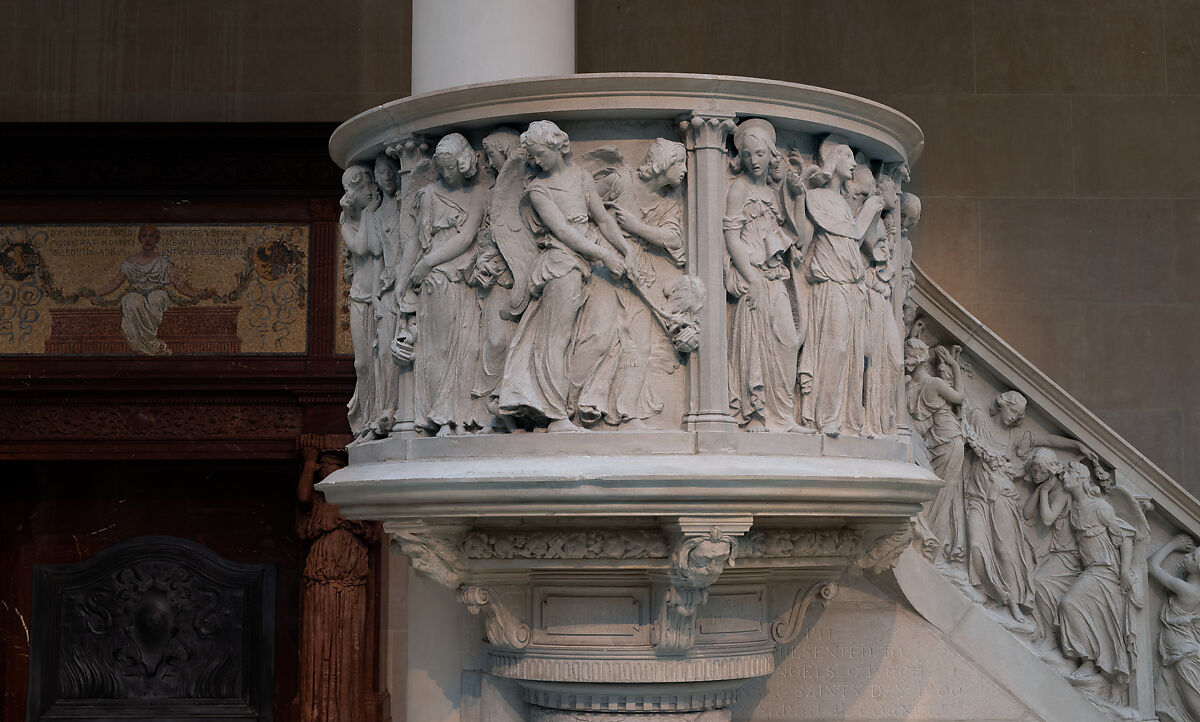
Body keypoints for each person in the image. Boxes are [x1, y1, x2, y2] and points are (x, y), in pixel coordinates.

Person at [496, 120, 632, 431]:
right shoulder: (537, 190)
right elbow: (563, 231)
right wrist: (605, 256)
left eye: (540, 153)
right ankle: (556, 416)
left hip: (582, 267)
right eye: (532, 155)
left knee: (582, 338)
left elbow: (602, 219)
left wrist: (625, 250)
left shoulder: (582, 178)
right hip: (561, 267)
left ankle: (548, 404)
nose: (536, 161)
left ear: (558, 147)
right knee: (555, 340)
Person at [573, 137, 688, 428]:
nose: (685, 170)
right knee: (598, 335)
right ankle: (570, 404)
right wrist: (602, 248)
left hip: (639, 274)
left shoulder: (667, 205)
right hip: (604, 267)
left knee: (640, 344)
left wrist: (639, 228)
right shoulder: (618, 181)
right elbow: (580, 208)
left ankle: (627, 411)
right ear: (663, 163)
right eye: (680, 163)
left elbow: (674, 238)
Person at [961, 390, 1099, 624]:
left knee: (1005, 551)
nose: (1015, 417)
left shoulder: (1016, 437)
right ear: (1002, 404)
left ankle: (1012, 602)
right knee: (975, 544)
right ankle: (992, 591)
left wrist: (1076, 444)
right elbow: (961, 400)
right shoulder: (979, 420)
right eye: (1013, 411)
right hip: (977, 495)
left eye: (1019, 414)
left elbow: (1048, 440)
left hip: (1003, 497)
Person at [795, 135, 883, 436]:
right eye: (847, 156)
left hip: (850, 284)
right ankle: (825, 415)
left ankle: (849, 418)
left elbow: (851, 238)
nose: (854, 163)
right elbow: (850, 231)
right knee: (837, 349)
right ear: (833, 160)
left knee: (854, 352)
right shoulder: (818, 197)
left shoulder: (842, 203)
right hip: (831, 285)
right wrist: (870, 208)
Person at [723, 118, 803, 432]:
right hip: (752, 275)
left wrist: (799, 197)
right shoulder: (738, 188)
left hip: (775, 275)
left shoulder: (773, 192)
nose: (754, 161)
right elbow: (731, 236)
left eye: (760, 154)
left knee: (785, 341)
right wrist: (751, 276)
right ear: (739, 157)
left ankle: (782, 416)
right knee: (753, 343)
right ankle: (755, 413)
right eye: (747, 155)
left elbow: (793, 235)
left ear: (771, 155)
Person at [410, 133, 489, 437]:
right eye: (441, 168)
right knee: (437, 350)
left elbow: (467, 237)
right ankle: (441, 416)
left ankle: (461, 415)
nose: (446, 174)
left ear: (465, 162)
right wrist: (404, 285)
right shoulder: (429, 194)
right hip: (436, 283)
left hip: (462, 278)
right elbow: (414, 245)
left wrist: (427, 262)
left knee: (467, 347)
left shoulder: (479, 194)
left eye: (451, 168)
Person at [296, 434, 379, 722]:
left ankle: (345, 711)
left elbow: (374, 530)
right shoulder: (318, 505)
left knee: (347, 651)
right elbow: (303, 497)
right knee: (320, 647)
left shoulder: (358, 504)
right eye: (325, 470)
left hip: (352, 583)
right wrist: (308, 463)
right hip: (322, 584)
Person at [1057, 460, 1137, 685]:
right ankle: (1089, 659)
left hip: (1105, 571)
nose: (1064, 477)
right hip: (1088, 569)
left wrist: (1123, 572)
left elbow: (1127, 538)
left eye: (1069, 473)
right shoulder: (1074, 508)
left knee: (1069, 604)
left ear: (1082, 478)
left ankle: (1089, 661)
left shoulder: (1099, 507)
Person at [83, 223, 204, 355]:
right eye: (144, 236)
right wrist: (94, 293)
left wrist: (196, 294)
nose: (148, 239)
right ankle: (150, 347)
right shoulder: (130, 262)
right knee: (131, 300)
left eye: (151, 236)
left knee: (156, 298)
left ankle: (148, 346)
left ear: (156, 239)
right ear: (140, 239)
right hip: (136, 293)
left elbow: (177, 283)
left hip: (158, 293)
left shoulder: (164, 262)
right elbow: (115, 283)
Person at [906, 339, 968, 563]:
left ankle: (929, 547)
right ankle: (929, 547)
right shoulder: (933, 384)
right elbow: (960, 397)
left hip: (941, 441)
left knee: (937, 498)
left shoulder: (910, 385)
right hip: (947, 439)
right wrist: (954, 366)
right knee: (941, 497)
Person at [338, 166, 384, 438]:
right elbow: (360, 248)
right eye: (364, 189)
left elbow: (377, 249)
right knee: (363, 364)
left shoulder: (375, 219)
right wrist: (367, 213)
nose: (369, 192)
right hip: (360, 298)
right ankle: (365, 419)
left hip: (379, 296)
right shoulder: (348, 224)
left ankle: (377, 418)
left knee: (381, 362)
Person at [1022, 447, 1082, 646]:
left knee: (1039, 582)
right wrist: (1040, 490)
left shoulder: (1063, 489)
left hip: (1071, 554)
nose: (1037, 475)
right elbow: (1027, 513)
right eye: (1035, 471)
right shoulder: (1045, 486)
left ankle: (1051, 637)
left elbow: (1047, 519)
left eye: (1042, 472)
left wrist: (1045, 491)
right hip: (1057, 549)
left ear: (1051, 470)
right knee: (1030, 577)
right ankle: (1044, 632)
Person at [1149, 534, 1200, 722]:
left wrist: (1172, 544)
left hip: (1182, 653)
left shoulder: (1186, 589)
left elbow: (1152, 566)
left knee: (1193, 700)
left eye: (1193, 557)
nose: (1188, 556)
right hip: (1182, 651)